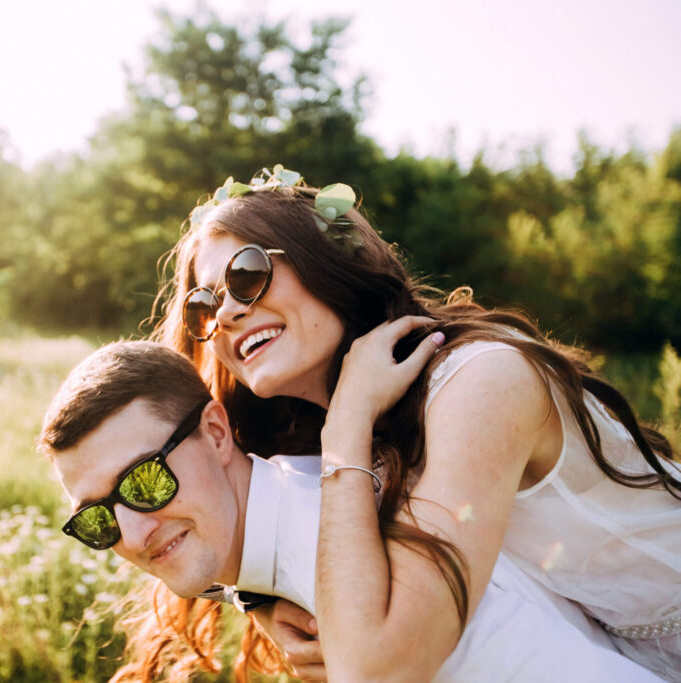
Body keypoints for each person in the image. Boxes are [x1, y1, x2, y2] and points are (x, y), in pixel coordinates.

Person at [152, 165, 681, 681]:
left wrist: (347, 428)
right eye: (205, 304)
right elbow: (251, 517)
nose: (225, 316)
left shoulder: (479, 380)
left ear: (325, 261)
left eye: (245, 276)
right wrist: (261, 600)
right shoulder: (337, 429)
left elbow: (383, 670)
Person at [38, 340, 664, 682]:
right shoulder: (303, 505)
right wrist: (248, 599)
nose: (133, 532)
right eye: (95, 520)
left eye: (145, 482)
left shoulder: (362, 564)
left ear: (219, 433)